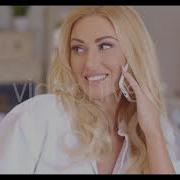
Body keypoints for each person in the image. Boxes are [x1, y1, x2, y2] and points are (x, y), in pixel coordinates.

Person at [0, 6, 179, 174]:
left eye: (105, 46)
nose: (89, 63)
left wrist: (153, 134)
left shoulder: (156, 130)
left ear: (134, 53)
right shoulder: (37, 117)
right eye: (78, 49)